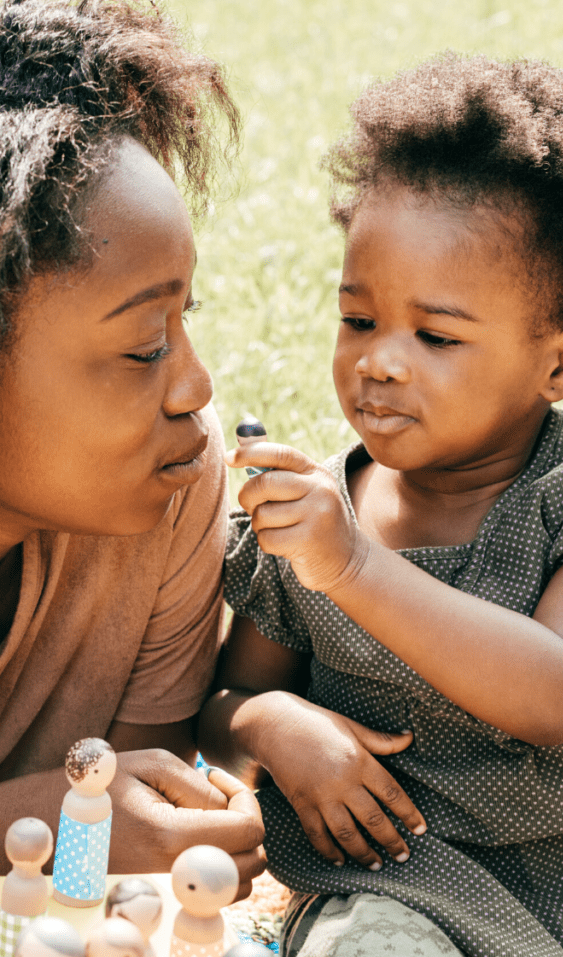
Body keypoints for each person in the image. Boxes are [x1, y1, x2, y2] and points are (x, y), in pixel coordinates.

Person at [199, 54, 563, 957]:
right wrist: (268, 727)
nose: (377, 359)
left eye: (436, 336)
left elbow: (553, 689)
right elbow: (227, 699)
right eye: (357, 317)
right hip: (396, 898)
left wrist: (354, 567)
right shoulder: (311, 521)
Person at [0, 0, 264, 892]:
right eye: (144, 347)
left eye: (181, 323)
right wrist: (40, 825)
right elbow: (90, 828)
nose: (195, 388)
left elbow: (136, 798)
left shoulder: (174, 485)